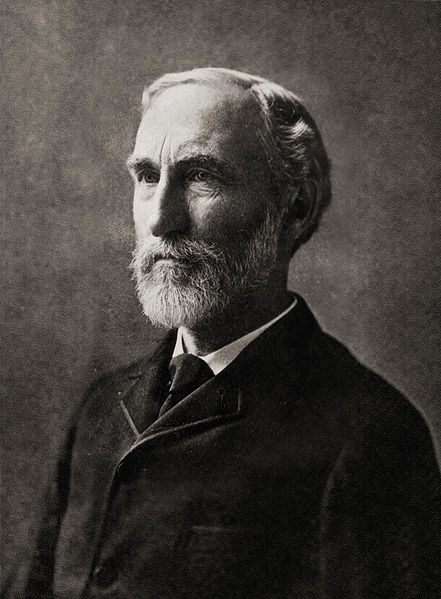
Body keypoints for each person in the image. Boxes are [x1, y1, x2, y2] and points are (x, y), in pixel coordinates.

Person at [22, 68, 440, 598]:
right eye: (147, 176)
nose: (160, 220)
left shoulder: (369, 437)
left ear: (294, 207)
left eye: (200, 176)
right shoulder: (101, 410)